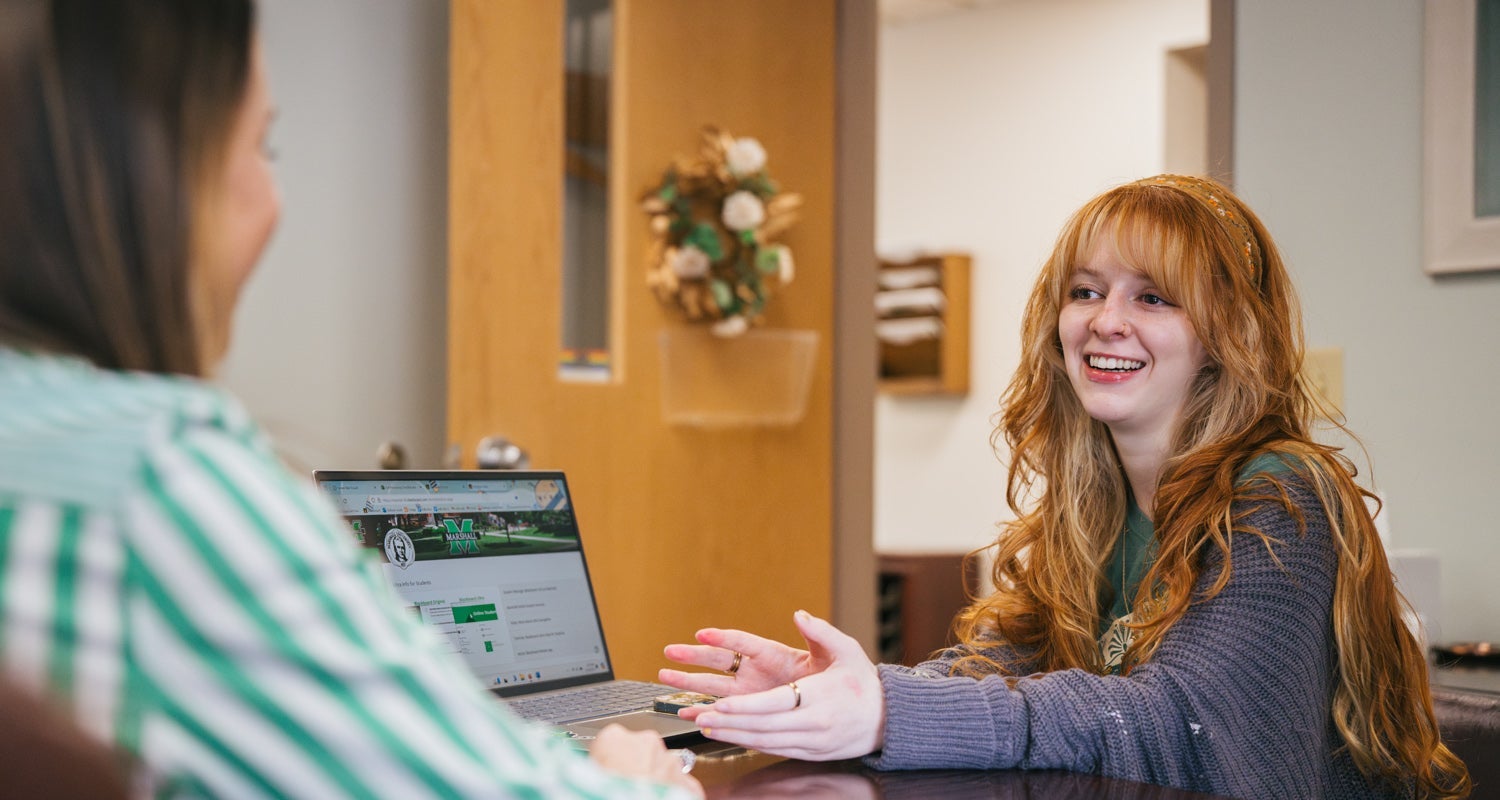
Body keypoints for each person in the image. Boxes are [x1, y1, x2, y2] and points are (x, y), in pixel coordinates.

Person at [0, 1, 700, 797]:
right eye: (263, 146)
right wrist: (635, 778)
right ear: (148, 179)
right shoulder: (158, 483)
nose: (275, 199)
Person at [661, 175, 1470, 799]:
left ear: (1230, 333)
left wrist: (885, 712)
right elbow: (995, 673)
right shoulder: (1094, 510)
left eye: (1152, 297)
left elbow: (1180, 725)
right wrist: (834, 691)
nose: (1104, 320)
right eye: (1086, 290)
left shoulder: (1283, 497)